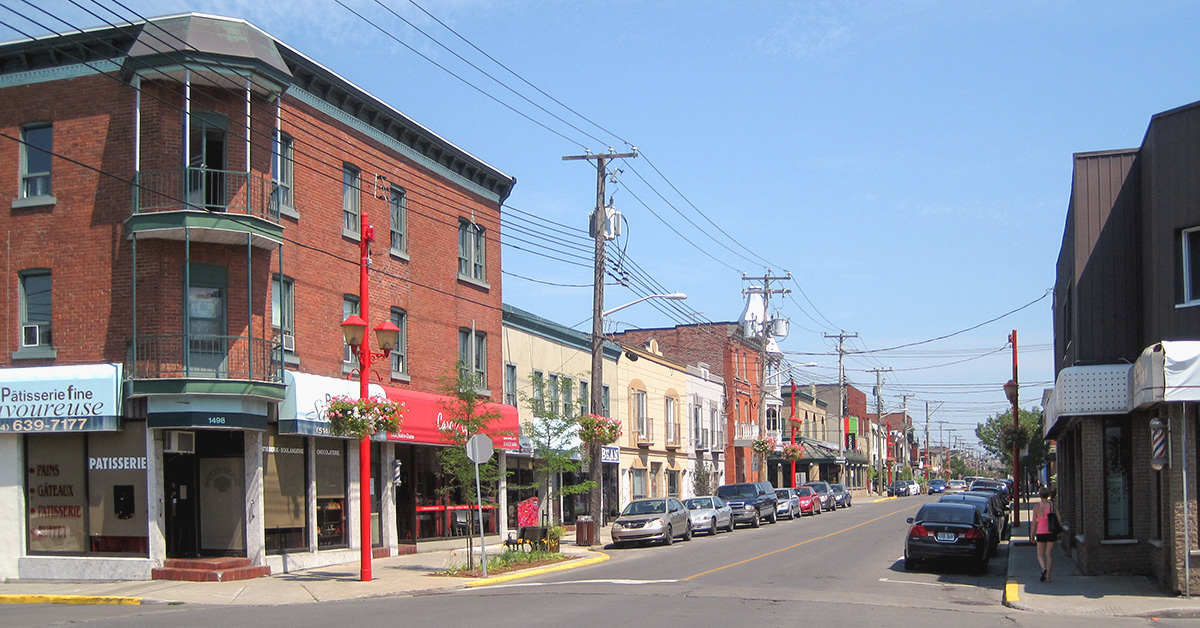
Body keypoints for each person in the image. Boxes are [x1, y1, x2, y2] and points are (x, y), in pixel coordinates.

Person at [1030, 487, 1058, 582]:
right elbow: (1059, 519)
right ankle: (1048, 577)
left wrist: (1031, 534)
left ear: (1040, 495)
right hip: (1051, 532)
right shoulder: (1052, 506)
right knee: (1048, 555)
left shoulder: (1037, 507)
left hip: (1040, 532)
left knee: (1040, 554)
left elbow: (1034, 522)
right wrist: (1060, 530)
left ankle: (1043, 568)